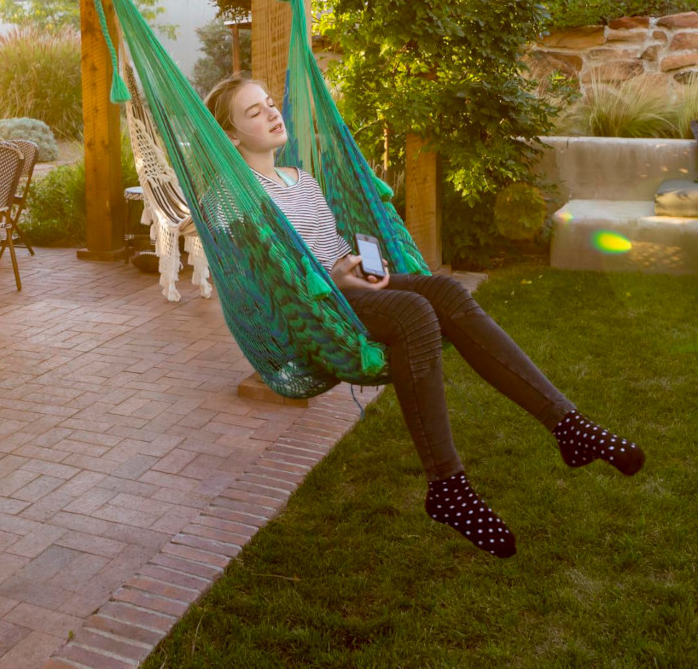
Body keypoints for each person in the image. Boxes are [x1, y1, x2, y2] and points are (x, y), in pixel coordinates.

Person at [203, 75, 644, 558]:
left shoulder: (301, 178)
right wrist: (338, 279)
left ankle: (568, 426)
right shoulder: (234, 193)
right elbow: (271, 272)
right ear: (229, 136)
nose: (272, 113)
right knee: (414, 314)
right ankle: (447, 485)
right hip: (316, 309)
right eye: (253, 112)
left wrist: (361, 268)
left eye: (270, 104)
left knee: (444, 291)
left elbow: (329, 248)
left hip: (348, 287)